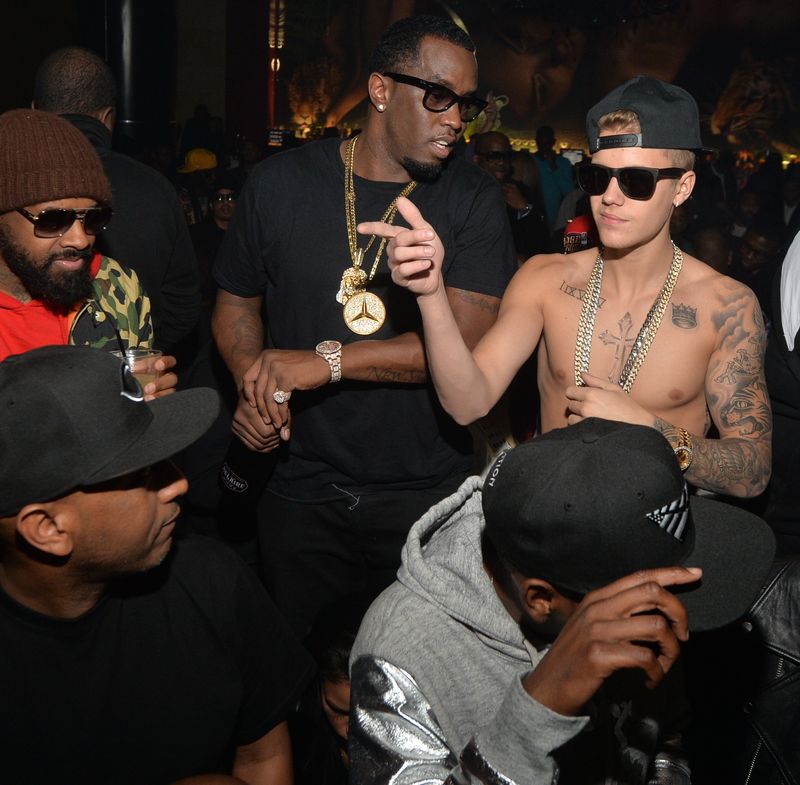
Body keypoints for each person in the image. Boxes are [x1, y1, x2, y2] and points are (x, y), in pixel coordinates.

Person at [212, 15, 516, 635]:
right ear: (380, 91)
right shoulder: (277, 183)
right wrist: (257, 381)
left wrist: (325, 361)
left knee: (410, 683)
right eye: (439, 96)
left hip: (423, 493)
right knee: (301, 669)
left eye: (467, 104)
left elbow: (464, 345)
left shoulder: (474, 198)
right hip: (298, 486)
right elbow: (235, 302)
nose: (457, 119)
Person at [372, 75, 772, 498]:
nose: (611, 198)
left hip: (655, 539)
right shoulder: (545, 279)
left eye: (636, 182)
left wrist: (648, 430)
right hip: (544, 526)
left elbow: (754, 470)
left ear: (683, 188)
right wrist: (431, 295)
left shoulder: (725, 305)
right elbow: (467, 403)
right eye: (597, 178)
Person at [349, 417, 775, 782]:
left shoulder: (619, 582)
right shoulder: (400, 650)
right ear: (541, 599)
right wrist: (536, 712)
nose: (666, 611)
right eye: (648, 600)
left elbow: (665, 732)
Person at [0, 345, 315, 785]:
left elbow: (262, 757)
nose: (180, 484)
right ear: (48, 528)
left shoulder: (212, 582)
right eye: (142, 477)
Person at [33, 47, 202, 357]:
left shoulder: (18, 186)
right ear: (109, 117)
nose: (79, 236)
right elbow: (184, 302)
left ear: (34, 112)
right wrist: (135, 354)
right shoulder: (155, 187)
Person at [0, 108, 176, 398]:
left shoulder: (116, 287)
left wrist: (143, 411)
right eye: (53, 220)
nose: (81, 239)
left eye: (93, 218)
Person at [472, 131, 549, 261]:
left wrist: (524, 208)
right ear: (477, 160)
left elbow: (542, 243)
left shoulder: (521, 191)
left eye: (506, 156)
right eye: (493, 156)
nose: (501, 162)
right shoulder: (462, 192)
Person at [533, 124, 574, 243]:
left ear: (553, 142)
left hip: (557, 220)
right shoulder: (530, 161)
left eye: (547, 143)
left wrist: (554, 168)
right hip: (535, 217)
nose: (545, 147)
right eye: (542, 143)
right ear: (536, 142)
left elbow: (569, 192)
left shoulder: (563, 163)